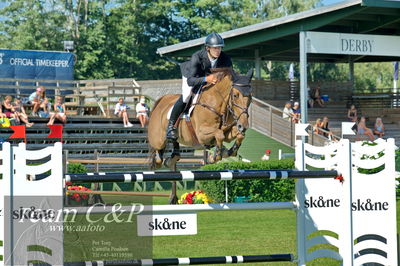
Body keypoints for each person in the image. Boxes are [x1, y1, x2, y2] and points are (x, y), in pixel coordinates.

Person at [166, 32, 233, 140]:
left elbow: (230, 76)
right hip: (192, 76)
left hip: (211, 80)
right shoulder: (197, 57)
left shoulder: (225, 58)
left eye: (219, 48)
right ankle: (170, 127)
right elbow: (190, 81)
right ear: (208, 48)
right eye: (215, 48)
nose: (218, 51)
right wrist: (206, 79)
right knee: (186, 96)